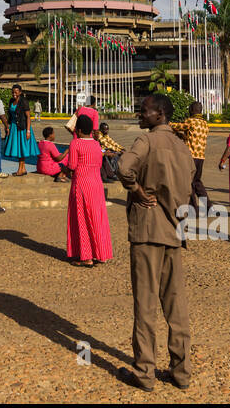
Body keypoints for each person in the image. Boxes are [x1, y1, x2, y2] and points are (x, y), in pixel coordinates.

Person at [115, 93, 195, 391]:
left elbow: (123, 168)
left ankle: (144, 372)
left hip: (148, 230)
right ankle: (181, 371)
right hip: (174, 231)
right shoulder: (181, 147)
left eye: (144, 110)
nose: (140, 113)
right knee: (176, 305)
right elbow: (188, 186)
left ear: (160, 114)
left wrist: (136, 190)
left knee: (145, 303)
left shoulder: (146, 141)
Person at [61, 114, 112, 266]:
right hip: (96, 184)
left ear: (79, 129)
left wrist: (64, 170)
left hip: (81, 183)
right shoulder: (97, 144)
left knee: (82, 218)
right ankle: (101, 253)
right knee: (97, 217)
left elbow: (72, 166)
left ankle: (86, 256)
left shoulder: (75, 143)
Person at [170, 101, 211, 209]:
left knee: (188, 183)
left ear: (192, 110)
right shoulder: (205, 123)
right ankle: (208, 206)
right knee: (197, 182)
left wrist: (167, 123)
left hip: (190, 156)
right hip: (200, 157)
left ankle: (193, 208)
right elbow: (191, 137)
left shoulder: (191, 121)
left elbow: (178, 126)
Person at [4, 84, 38, 175]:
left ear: (20, 92)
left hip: (22, 128)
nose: (14, 94)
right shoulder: (11, 101)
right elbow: (10, 115)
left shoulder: (24, 101)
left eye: (16, 92)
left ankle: (20, 169)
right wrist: (7, 126)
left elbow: (28, 117)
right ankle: (23, 169)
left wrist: (28, 131)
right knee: (18, 148)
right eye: (13, 92)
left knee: (22, 148)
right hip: (14, 127)